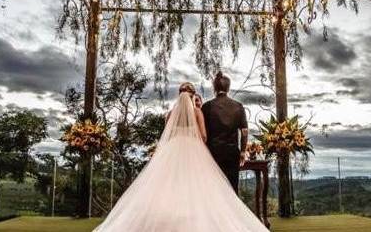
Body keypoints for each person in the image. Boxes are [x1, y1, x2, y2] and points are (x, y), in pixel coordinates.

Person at [93, 82, 269, 232]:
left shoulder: (170, 114)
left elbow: (166, 134)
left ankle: (168, 220)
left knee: (170, 184)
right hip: (193, 150)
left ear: (179, 95)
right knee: (196, 186)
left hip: (173, 150)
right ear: (192, 96)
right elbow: (204, 136)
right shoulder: (197, 112)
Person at [202, 71, 248, 193]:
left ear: (215, 88)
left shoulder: (207, 106)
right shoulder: (238, 106)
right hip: (232, 152)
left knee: (214, 189)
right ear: (228, 87)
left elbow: (203, 133)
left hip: (213, 153)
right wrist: (243, 151)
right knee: (232, 187)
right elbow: (244, 131)